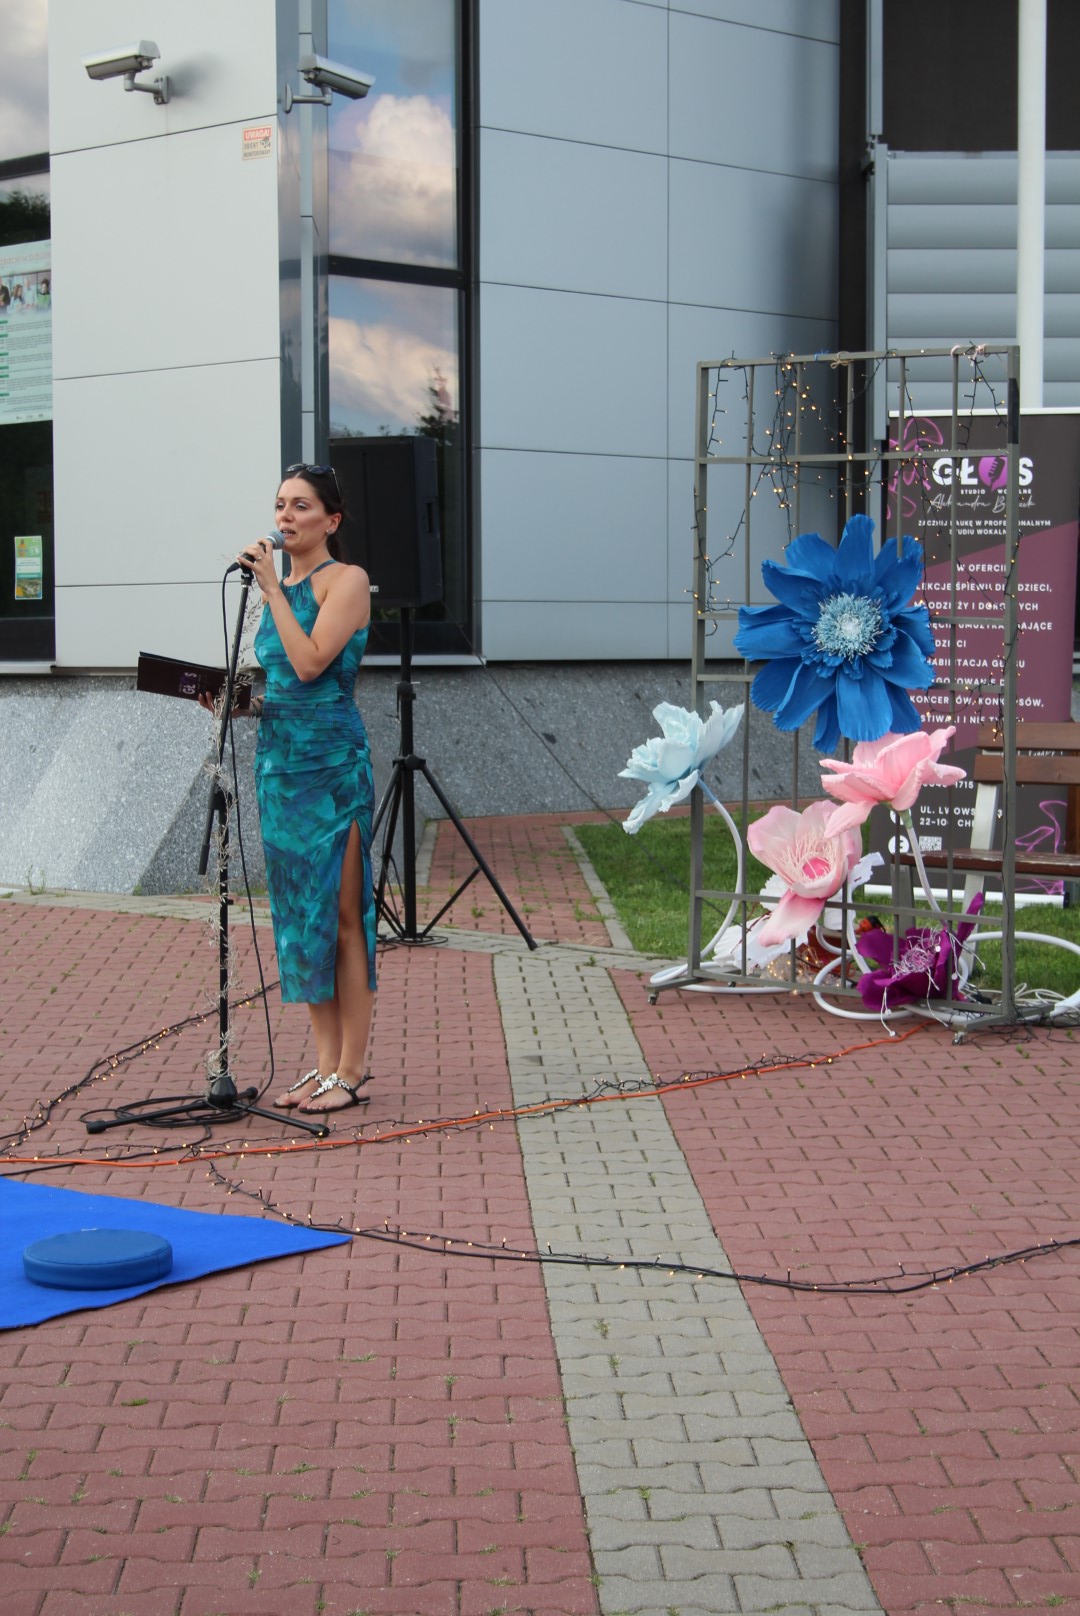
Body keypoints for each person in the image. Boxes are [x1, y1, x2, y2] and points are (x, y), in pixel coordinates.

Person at [220, 463, 376, 1113]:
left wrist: (273, 591)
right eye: (281, 504)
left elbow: (311, 663)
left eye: (301, 506)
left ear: (331, 520)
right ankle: (322, 1062)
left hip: (332, 768)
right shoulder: (278, 587)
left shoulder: (347, 581)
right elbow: (282, 683)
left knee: (340, 915)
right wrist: (240, 705)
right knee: (298, 918)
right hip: (280, 768)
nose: (285, 516)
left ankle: (352, 1069)